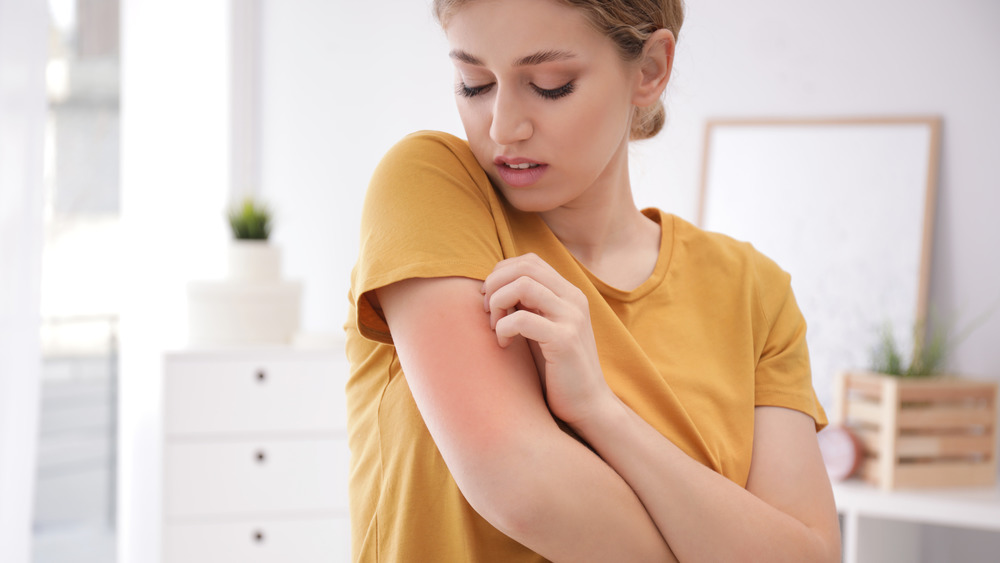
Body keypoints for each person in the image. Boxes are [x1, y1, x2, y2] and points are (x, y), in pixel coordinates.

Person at [344, 0, 841, 561]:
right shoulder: (430, 187)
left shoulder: (754, 292)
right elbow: (521, 488)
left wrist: (600, 411)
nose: (504, 126)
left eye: (551, 85)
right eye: (473, 83)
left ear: (650, 69)